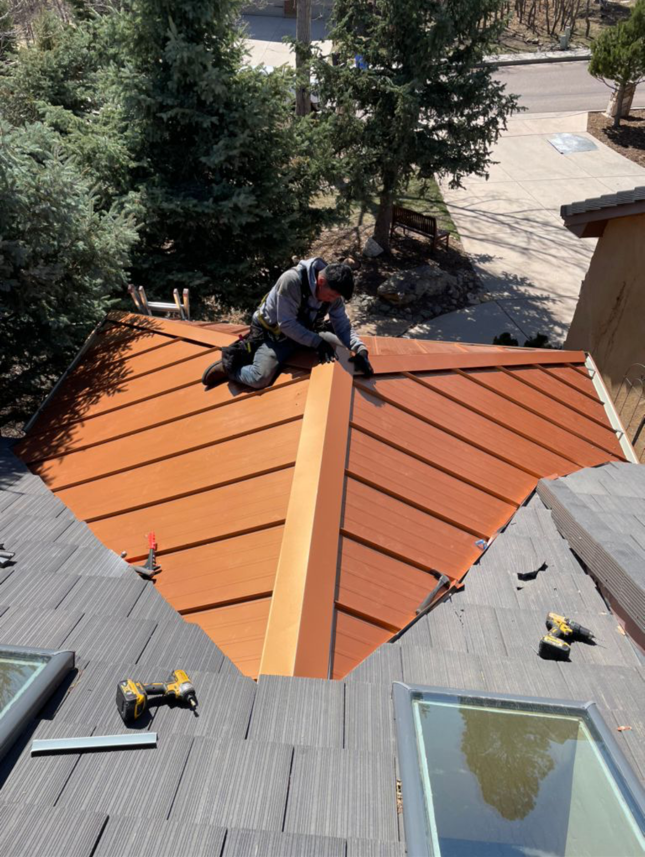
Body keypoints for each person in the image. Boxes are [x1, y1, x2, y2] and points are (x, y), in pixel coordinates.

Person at [202, 258, 373, 389]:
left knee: (341, 349)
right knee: (260, 378)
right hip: (274, 335)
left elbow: (342, 325)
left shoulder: (331, 291)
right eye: (332, 296)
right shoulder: (291, 281)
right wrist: (317, 342)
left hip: (305, 330)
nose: (334, 300)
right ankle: (230, 367)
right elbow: (286, 324)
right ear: (321, 282)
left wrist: (360, 349)